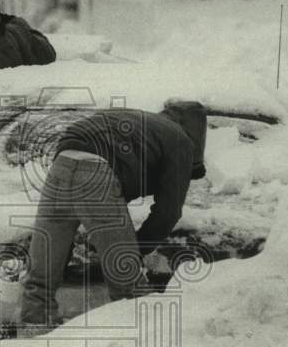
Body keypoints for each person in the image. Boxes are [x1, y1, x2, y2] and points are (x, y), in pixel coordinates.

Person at [19, 100, 207, 330]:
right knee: (127, 280)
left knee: (39, 280)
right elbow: (168, 211)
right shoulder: (181, 141)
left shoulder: (145, 124)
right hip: (96, 170)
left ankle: (33, 339)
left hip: (63, 161)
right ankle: (141, 341)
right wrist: (137, 248)